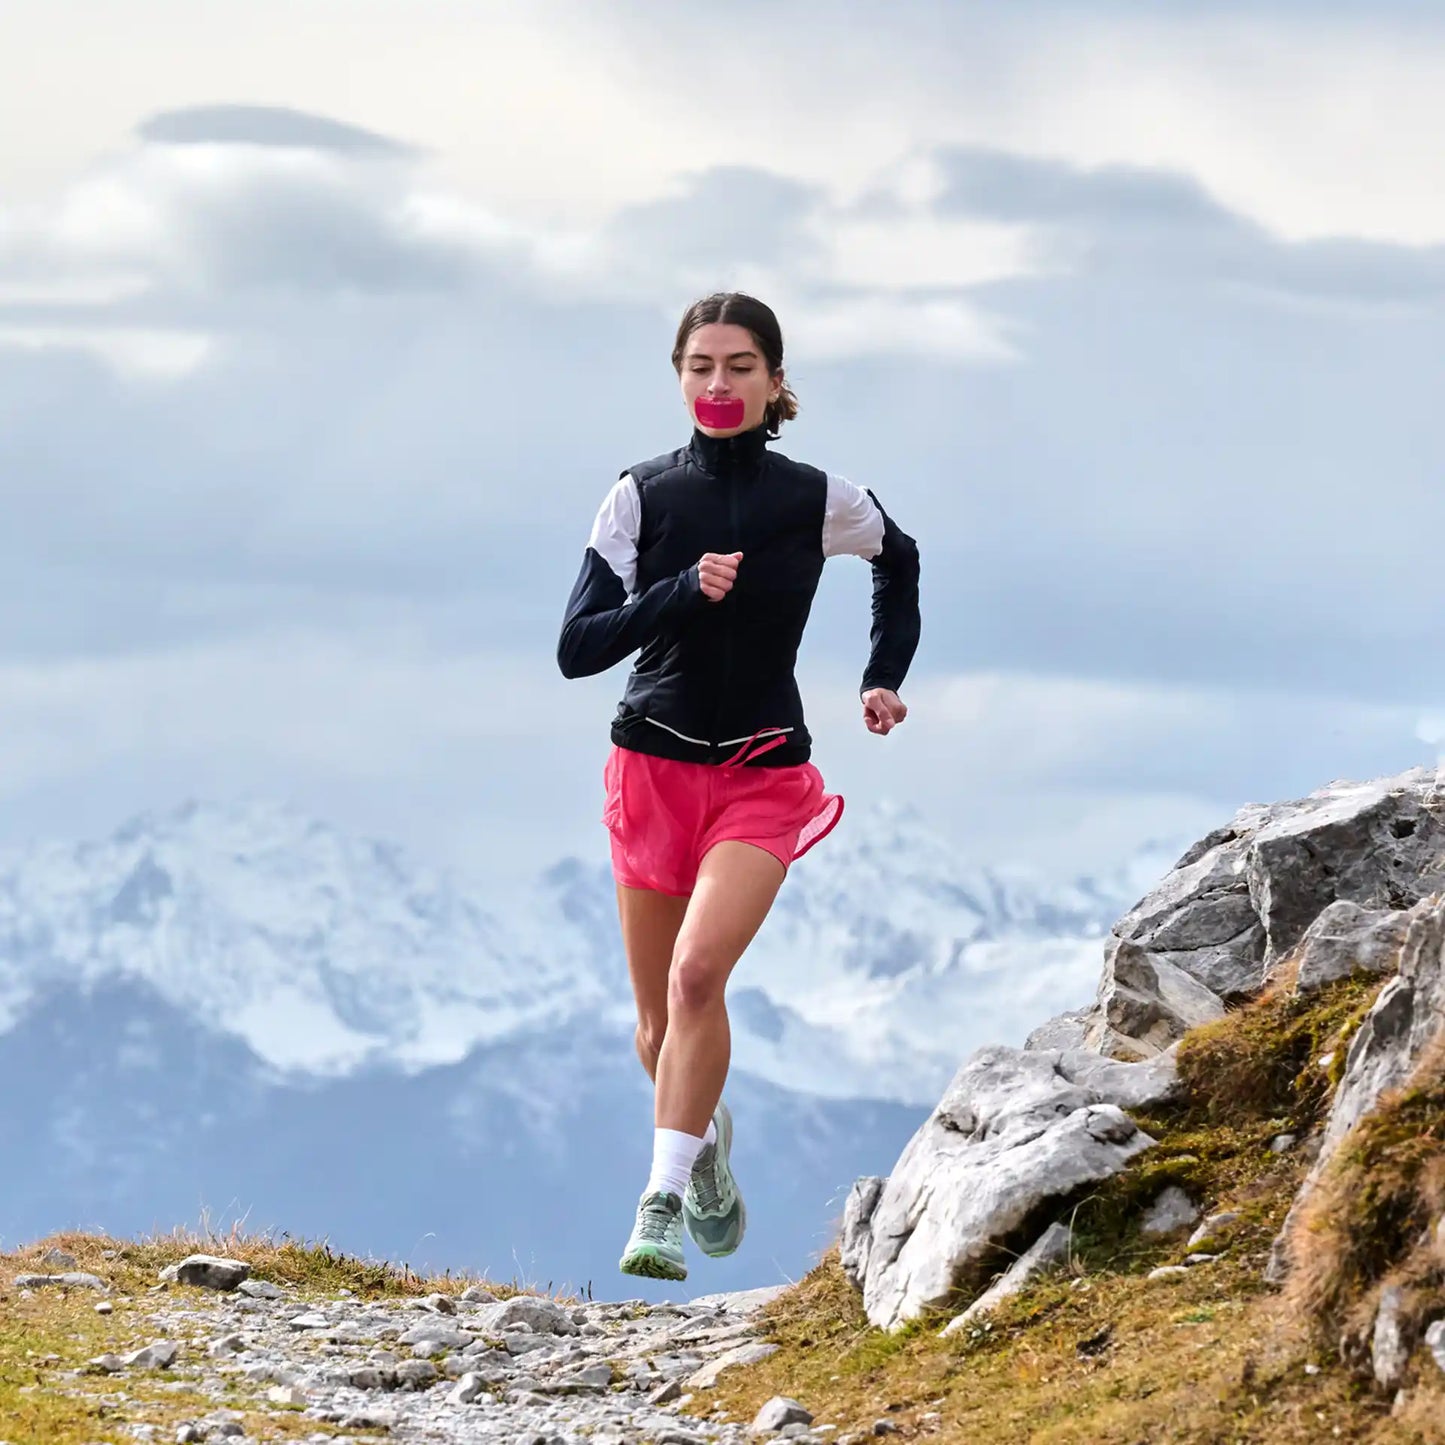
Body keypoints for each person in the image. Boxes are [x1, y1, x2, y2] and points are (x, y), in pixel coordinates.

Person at [556, 292, 921, 1281]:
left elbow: (900, 558)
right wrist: (675, 591)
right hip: (652, 768)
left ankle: (659, 1204)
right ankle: (705, 1149)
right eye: (699, 366)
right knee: (654, 1025)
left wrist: (881, 673)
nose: (718, 385)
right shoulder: (637, 496)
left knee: (693, 979)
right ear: (678, 375)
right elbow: (575, 647)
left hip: (761, 773)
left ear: (773, 380)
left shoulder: (815, 498)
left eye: (739, 366)